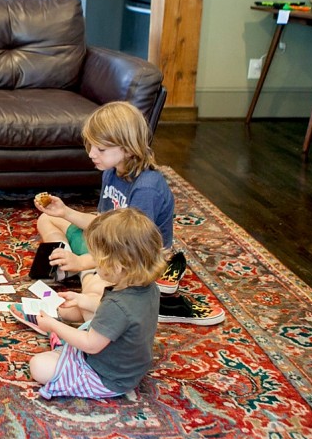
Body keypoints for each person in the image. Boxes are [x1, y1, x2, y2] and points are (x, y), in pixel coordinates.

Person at [33, 101, 224, 326]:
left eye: (101, 149)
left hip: (131, 259)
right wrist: (64, 212)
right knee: (48, 218)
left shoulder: (146, 189)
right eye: (91, 146)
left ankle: (92, 279)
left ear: (127, 147)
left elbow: (131, 251)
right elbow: (101, 223)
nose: (92, 154)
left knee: (92, 306)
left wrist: (83, 263)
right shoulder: (112, 171)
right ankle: (67, 264)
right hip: (109, 244)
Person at [15, 207, 168, 399]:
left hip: (106, 377)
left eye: (97, 259)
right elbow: (124, 318)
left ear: (117, 266)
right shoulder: (148, 287)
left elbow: (90, 345)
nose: (93, 263)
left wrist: (54, 325)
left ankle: (59, 340)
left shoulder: (117, 304)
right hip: (128, 367)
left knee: (39, 366)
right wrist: (82, 300)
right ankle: (64, 341)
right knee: (86, 314)